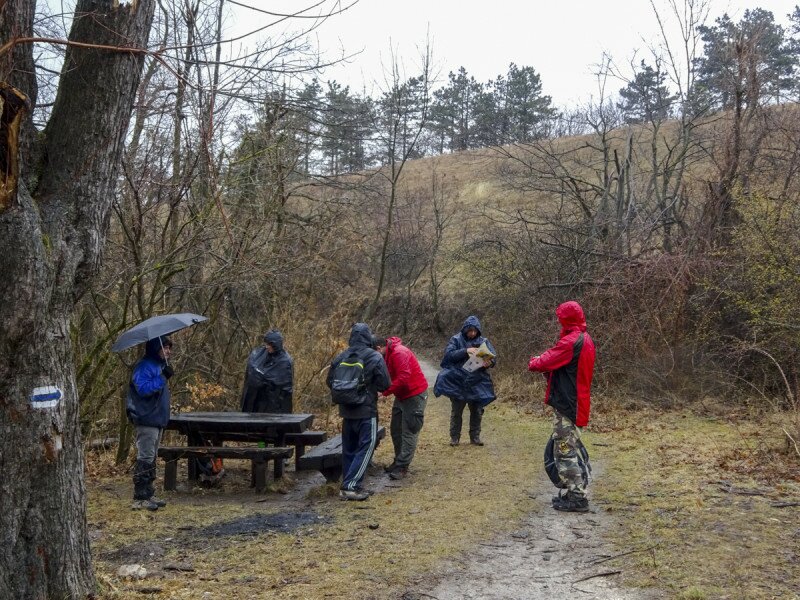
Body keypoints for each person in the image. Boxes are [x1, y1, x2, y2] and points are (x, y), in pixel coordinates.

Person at [528, 301, 596, 513]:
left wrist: (536, 359)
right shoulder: (586, 339)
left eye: (560, 318)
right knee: (566, 447)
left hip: (569, 403)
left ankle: (577, 497)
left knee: (564, 450)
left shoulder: (571, 341)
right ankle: (572, 492)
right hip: (577, 401)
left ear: (565, 319)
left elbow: (540, 363)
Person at [327, 323, 391, 501]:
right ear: (368, 337)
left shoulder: (341, 356)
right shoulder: (374, 357)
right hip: (366, 410)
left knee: (349, 449)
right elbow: (385, 383)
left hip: (346, 411)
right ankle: (351, 486)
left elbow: (330, 381)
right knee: (366, 447)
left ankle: (349, 483)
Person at [433, 316, 497, 446]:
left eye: (475, 331)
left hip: (477, 381)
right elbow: (448, 356)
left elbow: (493, 359)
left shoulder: (484, 341)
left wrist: (488, 363)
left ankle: (475, 437)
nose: (472, 333)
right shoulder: (455, 339)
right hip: (458, 380)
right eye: (470, 330)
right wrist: (465, 351)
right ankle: (454, 438)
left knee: (477, 411)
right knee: (457, 411)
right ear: (465, 329)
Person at [126, 336, 174, 511]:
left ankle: (149, 493)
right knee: (145, 457)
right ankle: (140, 497)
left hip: (156, 419)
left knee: (151, 457)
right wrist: (162, 378)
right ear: (156, 349)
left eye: (170, 348)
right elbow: (143, 389)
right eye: (165, 348)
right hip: (146, 418)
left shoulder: (159, 366)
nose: (168, 351)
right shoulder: (144, 366)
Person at [373, 336, 429, 480]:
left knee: (409, 430)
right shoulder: (387, 355)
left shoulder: (399, 353)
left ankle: (403, 466)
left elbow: (404, 376)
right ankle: (398, 460)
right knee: (396, 429)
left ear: (379, 348)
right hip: (402, 395)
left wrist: (385, 392)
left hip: (415, 394)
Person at [241, 329, 294, 413]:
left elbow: (283, 386)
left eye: (269, 344)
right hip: (256, 401)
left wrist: (263, 378)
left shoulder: (284, 361)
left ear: (276, 344)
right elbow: (252, 370)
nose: (267, 346)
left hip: (273, 404)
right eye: (266, 344)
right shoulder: (260, 354)